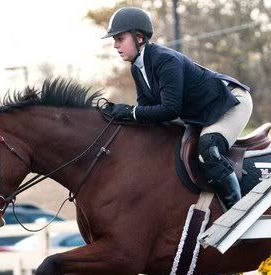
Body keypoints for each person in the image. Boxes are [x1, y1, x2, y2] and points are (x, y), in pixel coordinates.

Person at [104, 7, 252, 210]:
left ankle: (239, 214)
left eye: (120, 38)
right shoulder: (138, 67)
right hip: (204, 112)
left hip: (231, 104)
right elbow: (147, 110)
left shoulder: (165, 60)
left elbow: (170, 109)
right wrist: (123, 116)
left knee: (207, 150)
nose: (115, 45)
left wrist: (130, 112)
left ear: (138, 37)